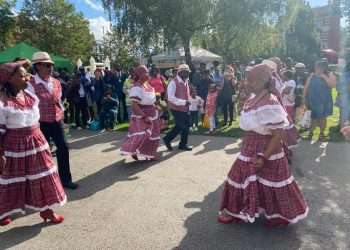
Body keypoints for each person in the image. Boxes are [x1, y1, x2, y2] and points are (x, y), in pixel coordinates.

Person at [218, 64, 308, 227]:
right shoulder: (253, 99)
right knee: (241, 177)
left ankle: (278, 215)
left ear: (263, 81)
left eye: (252, 80)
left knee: (272, 181)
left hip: (268, 149)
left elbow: (277, 135)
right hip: (250, 146)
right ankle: (237, 211)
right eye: (247, 79)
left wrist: (264, 156)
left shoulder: (270, 103)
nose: (247, 83)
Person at [0, 61, 66, 226]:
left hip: (37, 142)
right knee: (11, 180)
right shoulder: (2, 103)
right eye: (22, 76)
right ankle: (3, 211)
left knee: (43, 177)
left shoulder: (30, 96)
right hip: (14, 146)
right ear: (9, 79)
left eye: (27, 74)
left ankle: (47, 210)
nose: (27, 78)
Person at [28, 52, 78, 189]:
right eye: (47, 65)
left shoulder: (56, 82)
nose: (50, 68)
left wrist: (61, 113)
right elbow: (30, 105)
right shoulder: (30, 84)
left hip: (57, 121)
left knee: (63, 148)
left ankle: (65, 180)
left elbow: (59, 101)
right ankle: (41, 183)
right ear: (37, 66)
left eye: (51, 65)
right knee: (40, 154)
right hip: (40, 123)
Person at [120, 65, 160, 160]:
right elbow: (135, 105)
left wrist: (155, 106)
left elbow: (150, 100)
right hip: (141, 115)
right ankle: (133, 151)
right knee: (141, 136)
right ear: (140, 74)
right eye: (146, 72)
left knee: (153, 134)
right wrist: (144, 116)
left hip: (152, 114)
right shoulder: (137, 87)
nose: (148, 74)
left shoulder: (147, 84)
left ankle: (149, 154)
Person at [305, 60, 336, 141]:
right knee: (313, 118)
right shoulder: (312, 76)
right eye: (316, 67)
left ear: (324, 68)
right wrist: (304, 99)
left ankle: (321, 134)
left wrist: (324, 77)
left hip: (324, 101)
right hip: (313, 101)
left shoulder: (330, 74)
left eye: (319, 67)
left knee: (322, 118)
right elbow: (306, 88)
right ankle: (311, 133)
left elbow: (332, 85)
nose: (317, 69)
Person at [163, 64, 192, 151]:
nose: (187, 74)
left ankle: (183, 144)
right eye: (185, 72)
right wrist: (183, 102)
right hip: (176, 108)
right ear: (180, 72)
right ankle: (167, 139)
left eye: (188, 72)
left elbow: (186, 94)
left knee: (186, 126)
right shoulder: (173, 82)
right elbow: (170, 97)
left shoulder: (186, 81)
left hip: (185, 107)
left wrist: (189, 102)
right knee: (180, 126)